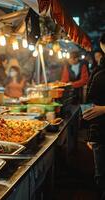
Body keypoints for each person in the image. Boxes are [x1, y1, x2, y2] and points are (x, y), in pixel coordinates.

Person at [83, 33, 105, 198]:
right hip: (100, 132)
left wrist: (103, 109)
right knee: (101, 177)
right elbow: (91, 103)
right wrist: (91, 135)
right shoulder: (100, 69)